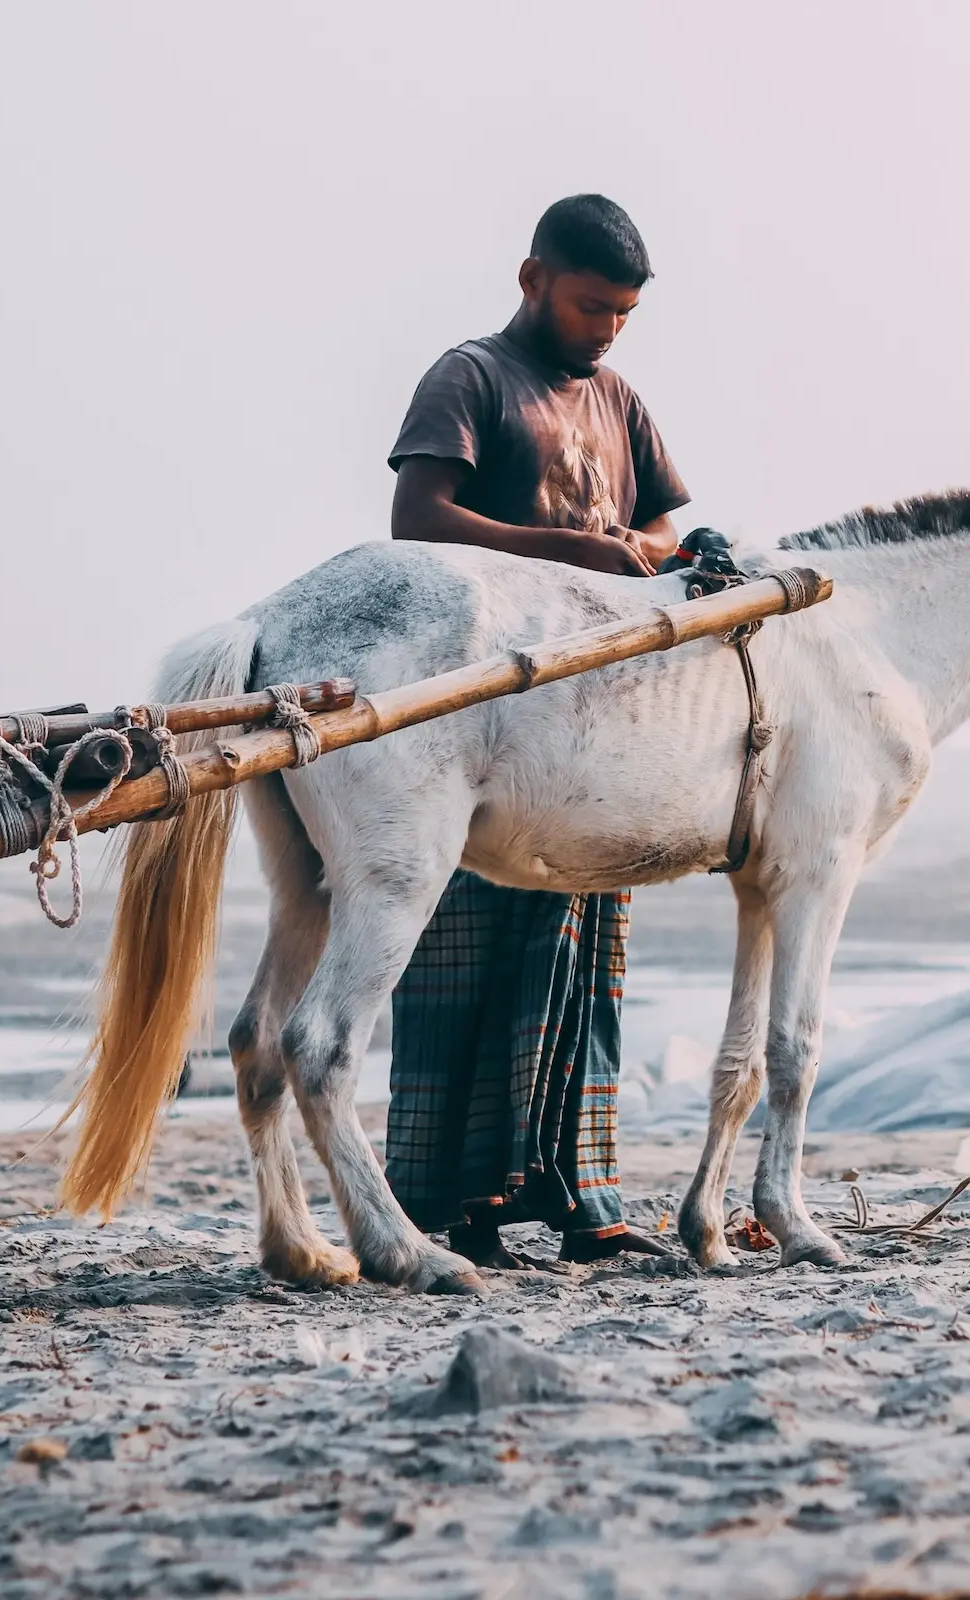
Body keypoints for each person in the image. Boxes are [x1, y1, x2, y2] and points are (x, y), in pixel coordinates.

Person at [382, 194, 687, 1268]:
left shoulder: (622, 401)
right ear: (532, 280)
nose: (606, 328)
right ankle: (449, 1210)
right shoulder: (469, 377)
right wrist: (569, 550)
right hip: (470, 731)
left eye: (622, 314)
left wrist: (638, 551)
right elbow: (416, 524)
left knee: (586, 958)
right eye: (591, 305)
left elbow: (659, 528)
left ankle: (581, 1197)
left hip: (592, 736)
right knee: (458, 968)